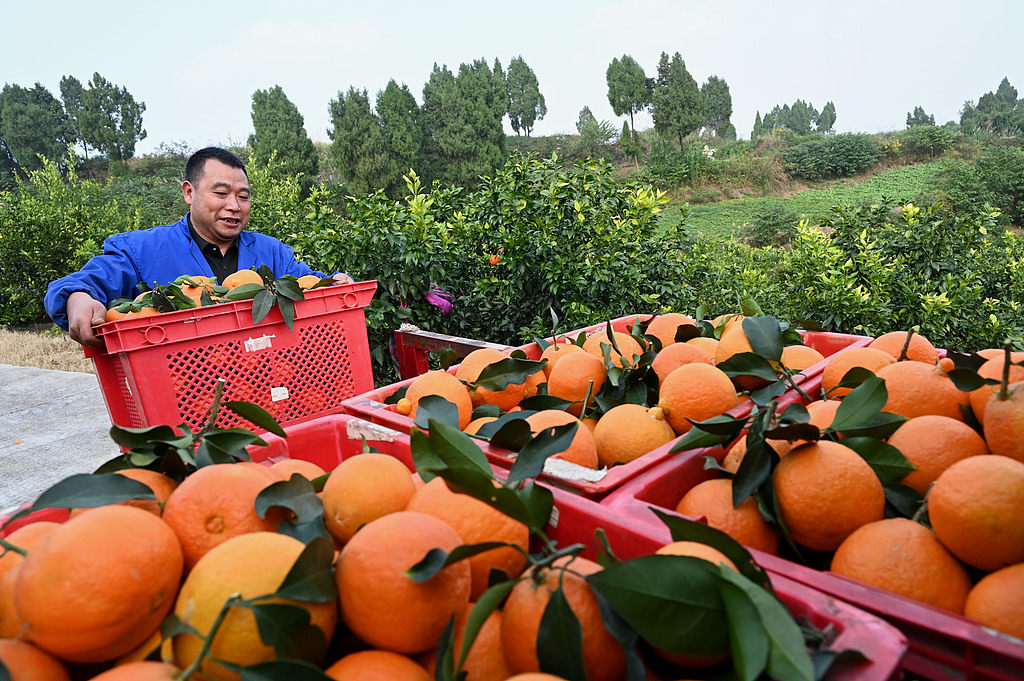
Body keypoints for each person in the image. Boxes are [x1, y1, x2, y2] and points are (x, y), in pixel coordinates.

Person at [44, 147, 353, 348]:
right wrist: (78, 300)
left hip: (267, 386)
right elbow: (80, 284)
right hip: (185, 397)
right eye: (221, 193)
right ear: (189, 193)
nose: (234, 206)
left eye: (243, 197)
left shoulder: (271, 253)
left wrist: (337, 282)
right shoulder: (143, 250)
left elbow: (311, 285)